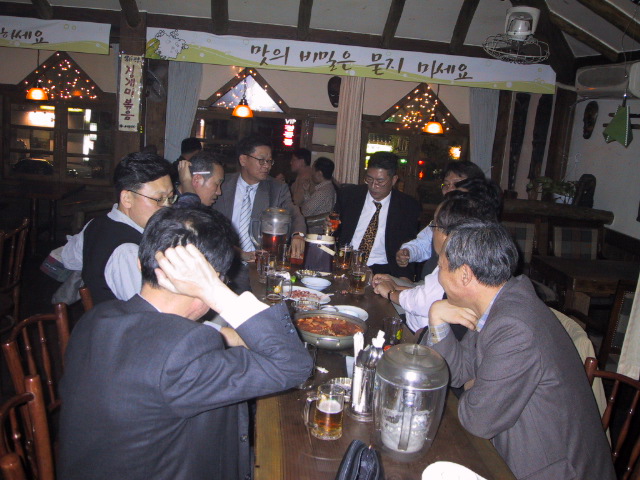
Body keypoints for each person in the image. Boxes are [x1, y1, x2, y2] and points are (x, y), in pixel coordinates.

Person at [57, 207, 313, 480]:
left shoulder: (96, 318)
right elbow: (294, 365)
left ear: (141, 263)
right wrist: (215, 291)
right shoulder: (183, 351)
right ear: (211, 278)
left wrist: (232, 333)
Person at [421, 220, 615, 480]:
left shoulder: (514, 326)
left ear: (465, 275)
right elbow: (457, 373)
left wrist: (477, 387)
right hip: (518, 450)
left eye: (441, 267)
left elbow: (477, 420)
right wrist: (437, 319)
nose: (438, 274)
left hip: (549, 470)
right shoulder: (501, 300)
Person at [373, 182, 501, 333]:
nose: (432, 233)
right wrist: (395, 286)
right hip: (417, 311)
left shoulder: (455, 264)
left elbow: (423, 303)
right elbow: (431, 293)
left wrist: (391, 293)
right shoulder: (474, 252)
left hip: (419, 331)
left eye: (434, 226)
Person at [61, 152, 174, 304]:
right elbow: (148, 311)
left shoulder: (94, 224)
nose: (167, 206)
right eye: (159, 199)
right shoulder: (128, 251)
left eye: (170, 198)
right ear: (127, 198)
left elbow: (68, 259)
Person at [212, 135, 306, 291]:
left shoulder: (276, 189)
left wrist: (298, 235)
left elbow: (293, 212)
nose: (267, 166)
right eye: (261, 160)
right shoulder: (222, 184)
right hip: (223, 262)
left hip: (258, 265)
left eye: (269, 161)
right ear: (243, 160)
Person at [336, 151, 420, 278]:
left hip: (383, 271)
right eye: (369, 179)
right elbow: (336, 231)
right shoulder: (350, 195)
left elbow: (409, 245)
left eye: (380, 181)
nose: (373, 186)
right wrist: (331, 227)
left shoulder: (407, 206)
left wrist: (405, 273)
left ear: (394, 180)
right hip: (347, 263)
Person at [396, 160, 486, 270]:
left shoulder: (480, 224)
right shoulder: (442, 214)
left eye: (456, 184)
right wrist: (408, 252)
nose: (450, 189)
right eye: (446, 184)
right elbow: (423, 243)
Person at [300, 157, 337, 233]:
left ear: (319, 173)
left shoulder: (322, 192)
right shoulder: (330, 187)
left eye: (313, 170)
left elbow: (304, 212)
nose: (311, 173)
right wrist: (306, 191)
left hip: (314, 232)